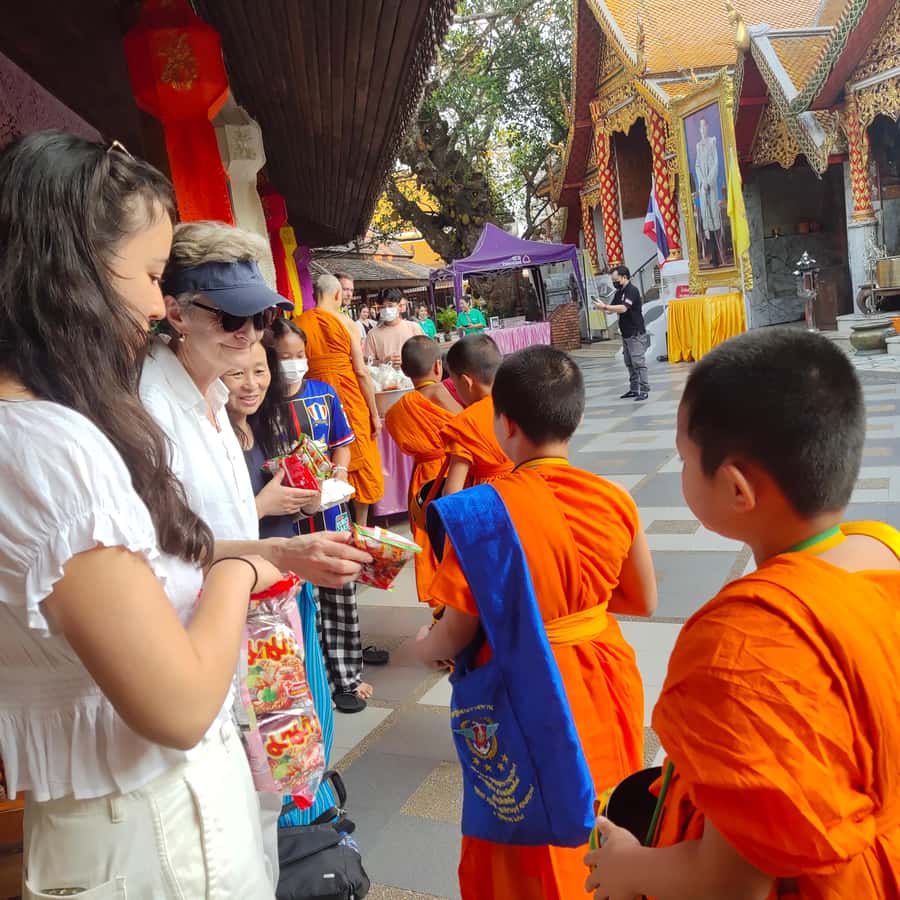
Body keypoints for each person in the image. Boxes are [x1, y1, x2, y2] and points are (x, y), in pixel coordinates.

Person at [0, 130, 282, 896]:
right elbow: (178, 704)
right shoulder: (50, 446)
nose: (159, 309)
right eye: (155, 276)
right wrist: (237, 570)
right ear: (74, 268)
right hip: (154, 828)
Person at [585, 328, 900, 900]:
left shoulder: (744, 644)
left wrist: (625, 866)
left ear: (735, 488)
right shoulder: (883, 548)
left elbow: (731, 884)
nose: (679, 472)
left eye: (683, 458)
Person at [140, 221, 371, 886]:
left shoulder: (212, 395)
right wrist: (285, 554)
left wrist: (287, 560)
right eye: (231, 316)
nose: (249, 332)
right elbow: (166, 546)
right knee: (227, 815)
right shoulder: (151, 408)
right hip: (201, 642)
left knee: (271, 798)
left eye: (261, 315)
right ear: (176, 312)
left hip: (257, 622)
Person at [416, 345, 655, 900]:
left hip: (521, 681)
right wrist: (573, 604)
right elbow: (642, 600)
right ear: (573, 417)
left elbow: (455, 633)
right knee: (601, 802)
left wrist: (418, 649)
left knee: (526, 816)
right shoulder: (613, 498)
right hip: (602, 673)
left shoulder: (483, 512)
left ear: (506, 423)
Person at [222, 339, 339, 817]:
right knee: (273, 720)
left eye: (260, 371)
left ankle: (317, 806)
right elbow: (200, 537)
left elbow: (297, 489)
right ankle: (294, 822)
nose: (252, 384)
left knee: (312, 699)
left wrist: (311, 497)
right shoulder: (212, 440)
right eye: (237, 374)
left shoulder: (263, 428)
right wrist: (264, 506)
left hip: (290, 586)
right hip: (250, 603)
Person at [269, 318, 379, 712]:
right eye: (284, 357)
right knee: (301, 604)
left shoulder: (325, 394)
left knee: (341, 595)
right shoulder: (262, 406)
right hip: (288, 524)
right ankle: (310, 683)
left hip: (331, 514)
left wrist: (338, 472)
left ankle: (348, 677)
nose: (294, 364)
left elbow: (342, 444)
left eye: (299, 356)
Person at [298, 274, 384, 527]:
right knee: (362, 461)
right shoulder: (346, 323)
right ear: (337, 295)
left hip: (314, 400)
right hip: (349, 399)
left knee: (326, 457)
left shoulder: (299, 324)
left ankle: (337, 521)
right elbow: (361, 371)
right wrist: (373, 412)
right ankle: (360, 525)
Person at [384, 336, 463, 602]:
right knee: (454, 535)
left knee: (430, 537)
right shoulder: (440, 393)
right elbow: (465, 426)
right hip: (453, 470)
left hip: (421, 479)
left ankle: (437, 597)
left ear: (405, 371)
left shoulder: (399, 410)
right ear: (438, 367)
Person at [439, 334, 514, 497]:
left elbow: (452, 492)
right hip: (524, 489)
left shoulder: (466, 423)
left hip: (487, 503)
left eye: (455, 383)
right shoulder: (518, 402)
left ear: (466, 382)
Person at [595, 265, 649, 401]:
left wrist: (606, 307)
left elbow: (624, 308)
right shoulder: (619, 292)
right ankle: (634, 388)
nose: (614, 283)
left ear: (624, 277)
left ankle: (644, 389)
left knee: (638, 362)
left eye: (616, 280)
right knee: (629, 362)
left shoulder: (632, 290)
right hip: (625, 333)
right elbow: (611, 310)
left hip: (635, 332)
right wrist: (602, 306)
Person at [364, 288, 424, 365]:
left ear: (400, 306)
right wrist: (383, 362)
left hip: (413, 375)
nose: (386, 310)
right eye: (382, 307)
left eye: (390, 305)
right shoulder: (372, 334)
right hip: (386, 376)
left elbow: (425, 353)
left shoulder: (414, 328)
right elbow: (367, 362)